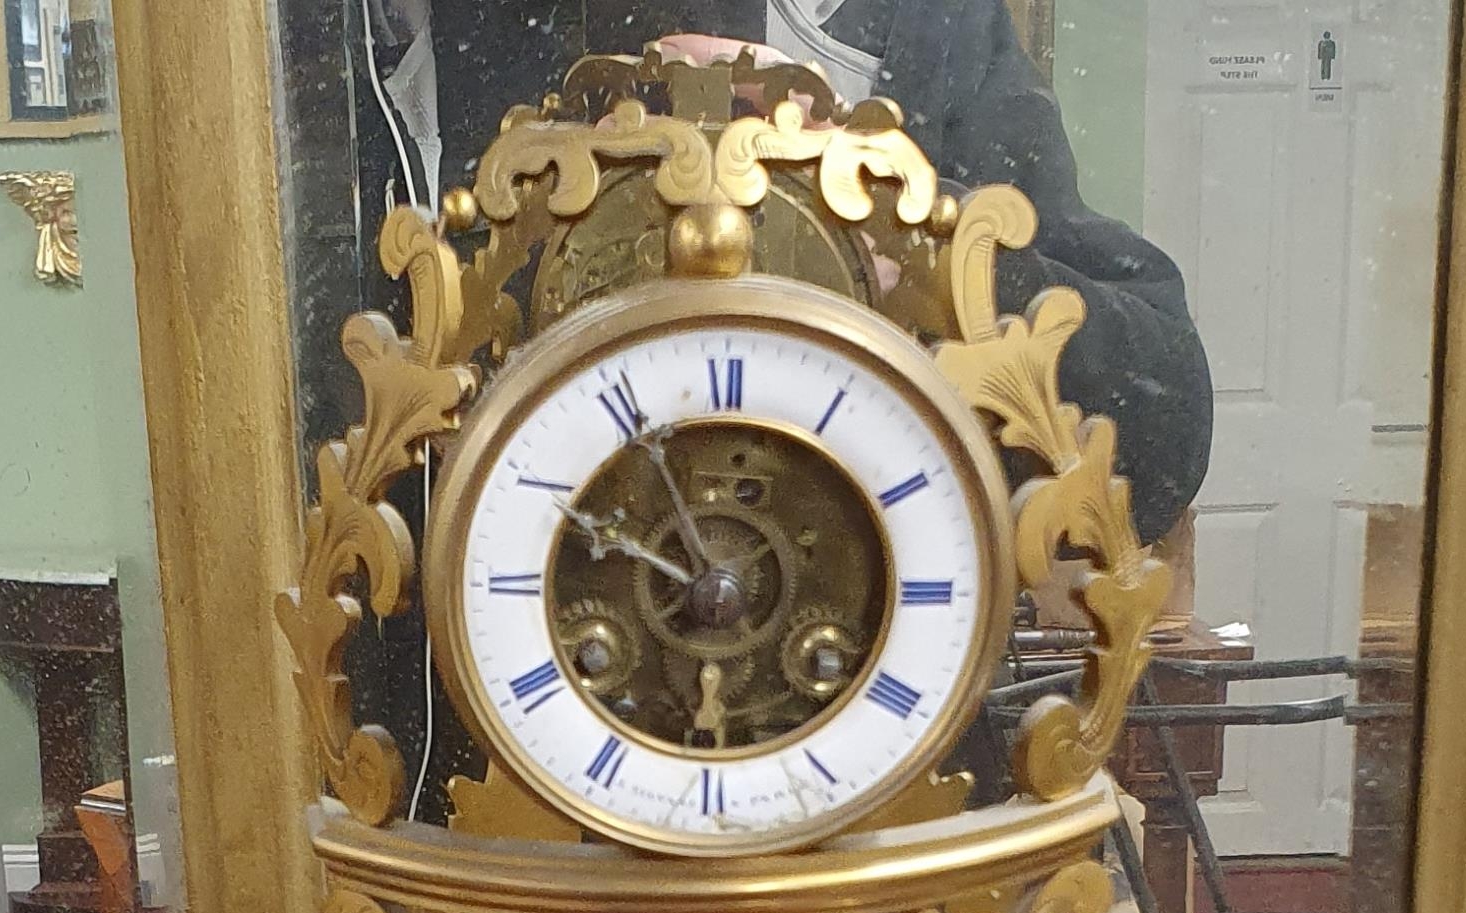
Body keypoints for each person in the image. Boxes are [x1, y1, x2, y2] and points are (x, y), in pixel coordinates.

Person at [409, 1, 1213, 542]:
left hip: (898, 677)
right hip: (574, 673)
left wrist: (914, 235)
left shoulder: (937, 28)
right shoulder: (503, 23)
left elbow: (1161, 422)